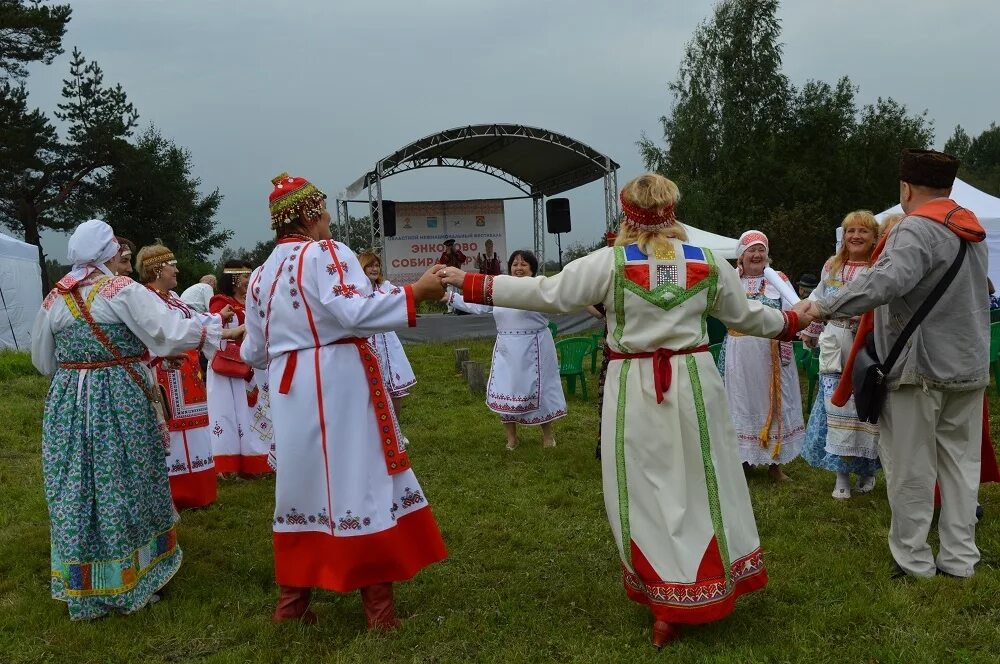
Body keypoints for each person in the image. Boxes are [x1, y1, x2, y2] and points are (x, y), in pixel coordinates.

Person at [440, 173, 812, 648]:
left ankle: (665, 603)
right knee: (703, 480)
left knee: (643, 487)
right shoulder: (709, 262)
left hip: (635, 384)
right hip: (696, 381)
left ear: (628, 214)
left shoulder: (609, 263)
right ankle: (708, 582)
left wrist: (469, 281)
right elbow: (749, 317)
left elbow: (545, 293)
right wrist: (795, 319)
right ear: (672, 211)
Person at [241, 172, 447, 630]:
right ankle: (379, 612)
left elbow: (252, 351)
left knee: (300, 485)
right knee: (360, 476)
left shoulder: (259, 275)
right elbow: (353, 311)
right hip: (337, 380)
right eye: (325, 211)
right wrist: (416, 293)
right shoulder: (325, 253)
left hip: (288, 387)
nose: (330, 220)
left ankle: (291, 605)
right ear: (311, 214)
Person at [30, 219, 239, 620]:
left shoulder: (55, 298)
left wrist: (81, 364)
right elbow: (169, 331)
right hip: (118, 399)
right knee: (125, 479)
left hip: (69, 403)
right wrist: (220, 331)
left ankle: (86, 586)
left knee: (77, 484)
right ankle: (131, 581)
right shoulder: (118, 289)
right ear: (108, 253)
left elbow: (43, 362)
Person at [802, 149, 988, 579]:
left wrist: (822, 306)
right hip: (968, 367)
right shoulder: (971, 232)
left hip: (918, 370)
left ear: (906, 188)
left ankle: (914, 560)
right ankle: (960, 559)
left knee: (910, 467)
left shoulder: (915, 229)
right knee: (960, 466)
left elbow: (884, 283)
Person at [137, 243, 236, 510]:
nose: (177, 269)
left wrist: (219, 320)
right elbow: (152, 333)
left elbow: (194, 320)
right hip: (166, 372)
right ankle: (178, 493)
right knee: (174, 430)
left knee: (195, 428)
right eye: (172, 265)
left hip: (187, 373)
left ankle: (199, 490)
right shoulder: (145, 299)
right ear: (158, 268)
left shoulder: (173, 298)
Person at [446, 249, 566, 450]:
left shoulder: (541, 289)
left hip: (535, 346)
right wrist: (448, 298)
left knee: (543, 390)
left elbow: (559, 305)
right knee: (506, 389)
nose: (518, 268)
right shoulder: (499, 289)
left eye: (524, 264)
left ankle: (548, 436)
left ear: (532, 269)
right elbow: (477, 305)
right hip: (507, 348)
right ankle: (512, 438)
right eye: (515, 264)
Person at [799, 210, 880, 499]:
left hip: (867, 342)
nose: (856, 236)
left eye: (863, 231)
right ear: (843, 236)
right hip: (835, 339)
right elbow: (819, 300)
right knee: (836, 405)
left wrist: (870, 320)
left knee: (868, 403)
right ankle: (841, 475)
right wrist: (810, 329)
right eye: (850, 231)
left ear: (874, 237)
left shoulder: (879, 266)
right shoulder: (832, 266)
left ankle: (868, 470)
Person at [718, 231, 804, 482]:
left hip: (771, 354)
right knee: (741, 402)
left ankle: (774, 464)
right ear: (740, 257)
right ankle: (744, 459)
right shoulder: (730, 280)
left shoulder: (778, 279)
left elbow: (794, 309)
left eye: (761, 250)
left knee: (772, 404)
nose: (756, 255)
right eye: (751, 251)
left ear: (767, 255)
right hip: (739, 353)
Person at [206, 260, 273, 477]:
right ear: (235, 280)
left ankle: (260, 461)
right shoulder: (220, 303)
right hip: (230, 370)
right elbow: (214, 331)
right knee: (231, 414)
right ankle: (230, 465)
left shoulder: (250, 303)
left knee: (257, 413)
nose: (249, 280)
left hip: (254, 367)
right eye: (246, 276)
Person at [357, 250, 417, 416]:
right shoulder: (356, 291)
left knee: (395, 391)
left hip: (388, 344)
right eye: (370, 266)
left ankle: (397, 431)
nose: (374, 269)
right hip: (366, 343)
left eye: (376, 265)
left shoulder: (386, 287)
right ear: (362, 267)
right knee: (368, 391)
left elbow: (403, 297)